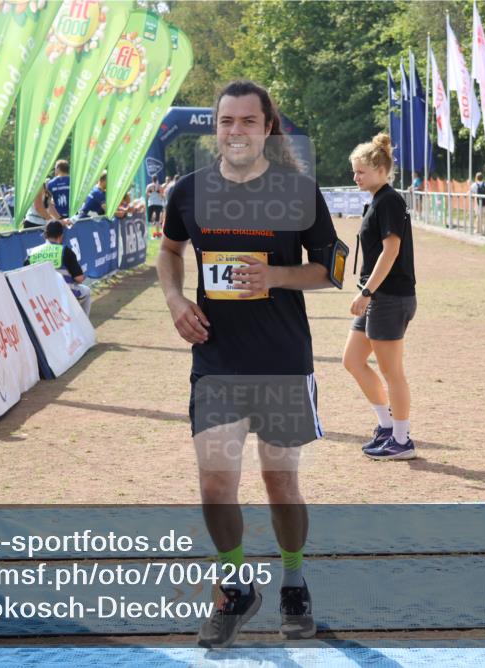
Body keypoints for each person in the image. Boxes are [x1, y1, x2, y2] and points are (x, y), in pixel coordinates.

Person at [157, 80, 340, 648]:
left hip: (283, 358)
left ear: (267, 128)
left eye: (247, 121)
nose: (236, 131)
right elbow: (169, 251)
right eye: (226, 121)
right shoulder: (188, 192)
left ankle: (293, 582)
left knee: (279, 481)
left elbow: (333, 268)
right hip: (217, 357)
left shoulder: (299, 192)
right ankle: (235, 587)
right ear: (216, 128)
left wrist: (277, 276)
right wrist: (175, 299)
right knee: (215, 482)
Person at [343, 133, 417, 461]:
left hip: (388, 296)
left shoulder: (389, 200)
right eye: (354, 171)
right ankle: (387, 427)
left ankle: (402, 441)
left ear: (382, 171)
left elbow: (391, 250)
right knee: (352, 360)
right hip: (376, 296)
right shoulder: (376, 200)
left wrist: (367, 292)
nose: (355, 177)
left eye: (361, 172)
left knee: (392, 372)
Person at [25, 220, 92, 315]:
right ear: (61, 236)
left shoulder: (32, 252)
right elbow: (79, 278)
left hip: (39, 297)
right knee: (86, 291)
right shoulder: (65, 251)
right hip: (64, 295)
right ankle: (83, 326)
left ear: (45, 235)